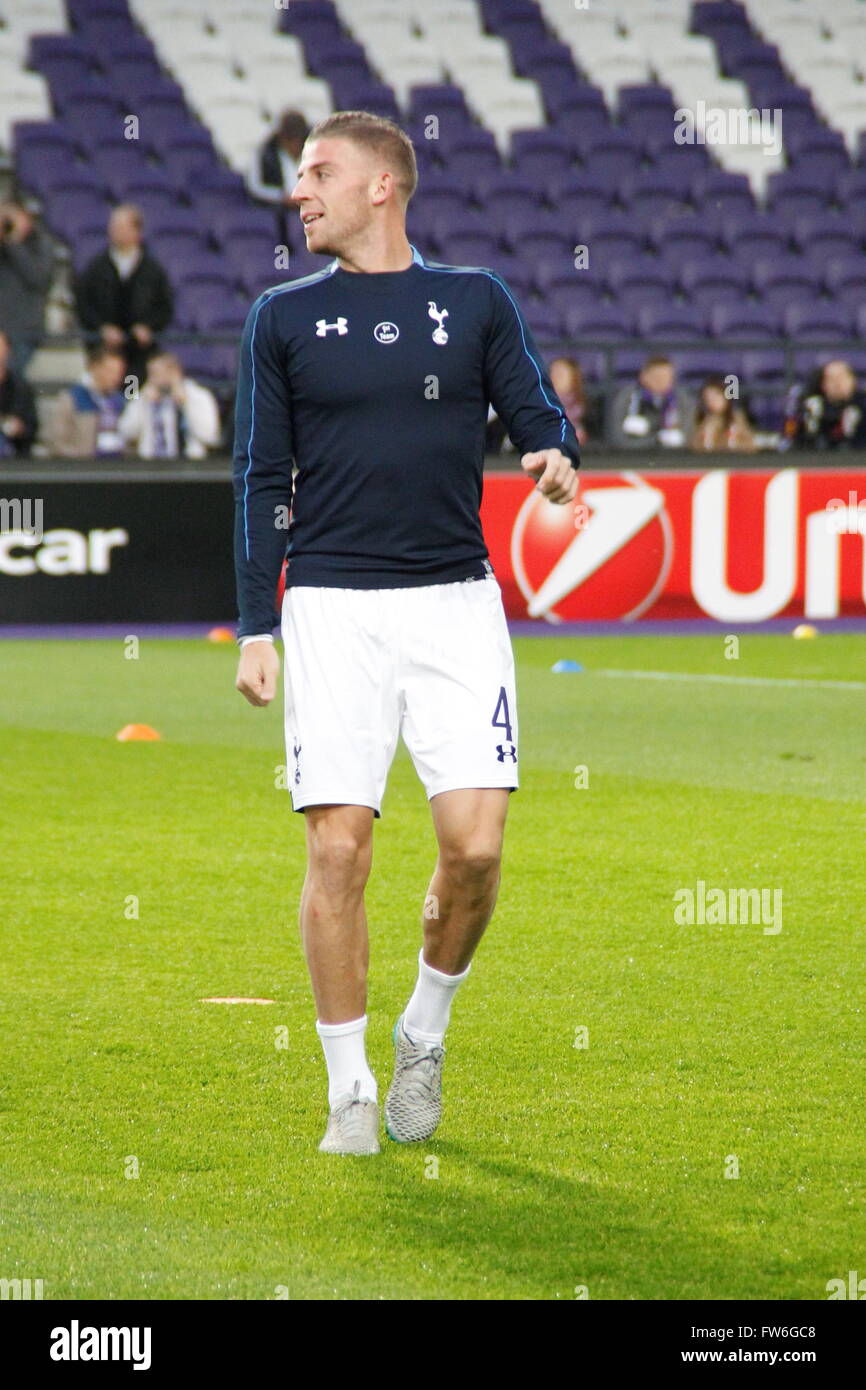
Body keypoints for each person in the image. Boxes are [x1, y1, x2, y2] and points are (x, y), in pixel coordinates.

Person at [233, 110, 580, 1157]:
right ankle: (347, 1087)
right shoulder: (278, 318)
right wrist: (257, 621)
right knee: (338, 848)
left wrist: (554, 458)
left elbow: (535, 413)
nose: (300, 192)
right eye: (299, 177)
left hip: (452, 605)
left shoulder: (472, 300)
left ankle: (422, 1029)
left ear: (382, 185)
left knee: (472, 849)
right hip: (331, 607)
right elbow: (258, 476)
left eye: (318, 172)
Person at [74, 204, 173, 386]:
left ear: (137, 231)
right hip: (104, 350)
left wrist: (148, 327)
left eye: (120, 227)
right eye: (113, 227)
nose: (114, 232)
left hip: (137, 353)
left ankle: (128, 408)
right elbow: (83, 304)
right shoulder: (96, 267)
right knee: (106, 391)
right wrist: (101, 328)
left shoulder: (152, 270)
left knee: (131, 391)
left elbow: (165, 307)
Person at [119, 351, 220, 459]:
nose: (151, 379)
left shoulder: (199, 396)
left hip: (190, 466)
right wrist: (143, 403)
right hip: (149, 466)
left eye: (155, 373)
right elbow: (126, 433)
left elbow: (209, 436)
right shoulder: (142, 396)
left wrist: (186, 404)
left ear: (175, 372)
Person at [0, 200, 54, 372]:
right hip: (2, 327)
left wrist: (14, 244)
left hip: (24, 329)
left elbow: (39, 279)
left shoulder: (40, 243)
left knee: (11, 376)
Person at [46, 346, 127, 458]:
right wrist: (80, 459)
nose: (116, 377)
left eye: (119, 372)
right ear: (94, 368)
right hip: (85, 468)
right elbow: (57, 442)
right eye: (110, 371)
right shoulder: (72, 398)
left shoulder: (120, 400)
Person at [247, 109, 310, 245]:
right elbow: (255, 187)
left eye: (297, 140)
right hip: (277, 209)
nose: (294, 145)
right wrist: (281, 197)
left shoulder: (315, 153)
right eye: (290, 139)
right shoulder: (265, 154)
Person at [609, 355, 695, 450]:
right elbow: (618, 439)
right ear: (643, 377)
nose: (663, 381)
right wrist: (656, 440)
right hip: (633, 457)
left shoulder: (683, 400)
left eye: (667, 377)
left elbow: (685, 438)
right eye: (657, 377)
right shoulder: (626, 398)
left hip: (672, 459)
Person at [782, 359, 866, 451]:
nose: (838, 383)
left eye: (842, 377)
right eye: (831, 379)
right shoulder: (813, 406)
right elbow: (795, 441)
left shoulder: (862, 403)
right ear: (823, 385)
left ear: (853, 380)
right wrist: (812, 421)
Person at [688, 375, 757, 453]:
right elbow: (693, 446)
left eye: (716, 396)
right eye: (708, 398)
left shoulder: (736, 417)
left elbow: (750, 445)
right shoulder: (704, 420)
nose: (712, 401)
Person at [0, 328, 38, 458]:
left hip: (14, 454)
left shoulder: (20, 387)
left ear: (8, 351)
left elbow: (32, 425)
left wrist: (20, 428)